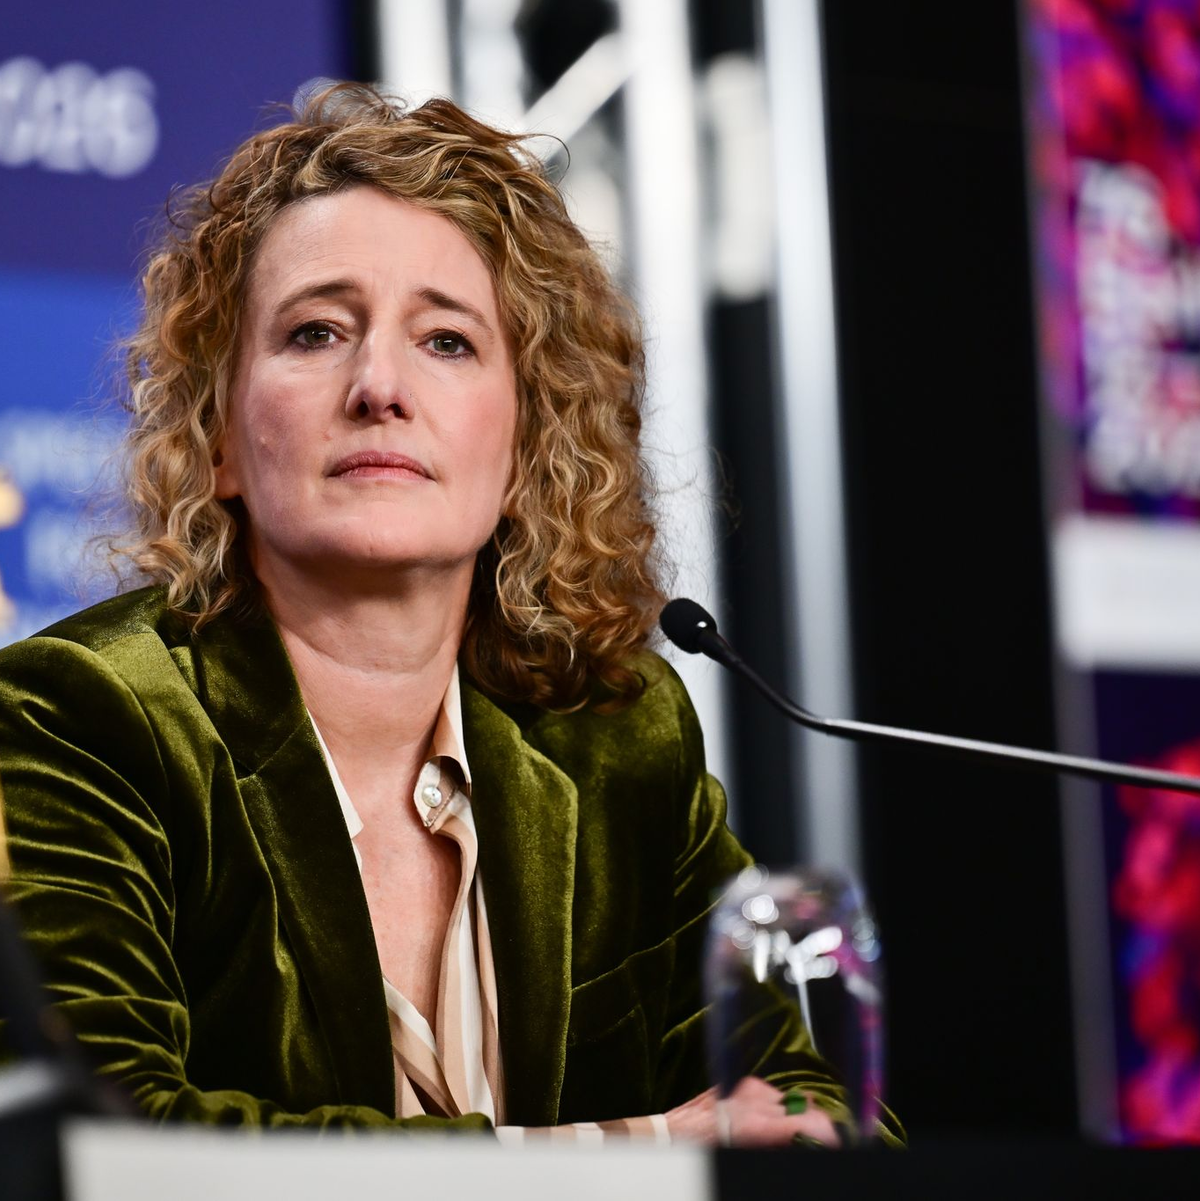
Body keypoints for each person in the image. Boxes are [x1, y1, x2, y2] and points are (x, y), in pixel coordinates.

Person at [0, 84, 849, 1143]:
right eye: (315, 332)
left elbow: (808, 1095)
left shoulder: (617, 737)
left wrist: (820, 1126)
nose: (379, 386)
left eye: (447, 341)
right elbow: (98, 1141)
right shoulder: (84, 716)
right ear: (217, 437)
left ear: (525, 445)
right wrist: (642, 1150)